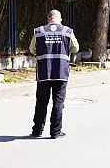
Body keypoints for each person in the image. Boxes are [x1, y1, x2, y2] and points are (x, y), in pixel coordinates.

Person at [29, 9, 79, 139]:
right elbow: (76, 48)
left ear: (48, 18)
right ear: (60, 19)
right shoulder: (67, 31)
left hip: (44, 72)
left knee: (41, 102)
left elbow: (32, 49)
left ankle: (37, 130)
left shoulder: (39, 31)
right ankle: (55, 132)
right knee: (58, 102)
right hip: (61, 72)